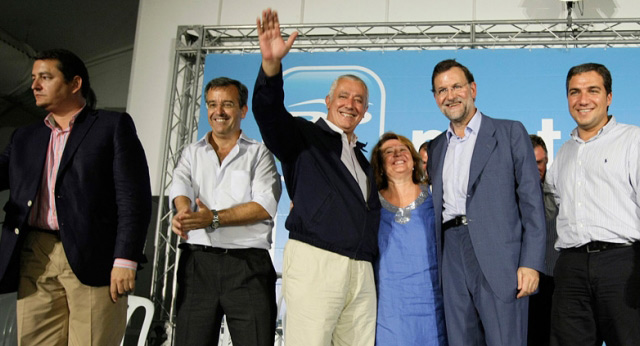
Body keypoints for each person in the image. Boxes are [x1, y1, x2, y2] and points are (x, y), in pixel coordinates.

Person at [0, 49, 152, 345]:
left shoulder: (111, 126)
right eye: (33, 78)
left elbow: (133, 198)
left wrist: (125, 259)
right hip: (35, 253)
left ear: (75, 83)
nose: (34, 85)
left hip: (94, 256)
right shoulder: (25, 137)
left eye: (45, 77)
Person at [253, 9, 381, 346]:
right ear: (327, 101)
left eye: (359, 100)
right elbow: (268, 113)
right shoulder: (302, 137)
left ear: (365, 111)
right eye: (344, 96)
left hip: (361, 270)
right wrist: (270, 68)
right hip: (316, 262)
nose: (351, 104)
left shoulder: (362, 161)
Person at [427, 59, 546, 346]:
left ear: (473, 89)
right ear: (435, 98)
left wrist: (531, 263)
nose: (450, 95)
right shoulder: (437, 146)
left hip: (500, 258)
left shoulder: (509, 132)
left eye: (456, 86)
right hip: (451, 255)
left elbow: (532, 202)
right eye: (442, 90)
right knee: (460, 340)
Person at [169, 77, 282, 345]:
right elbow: (180, 188)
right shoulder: (190, 153)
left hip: (247, 266)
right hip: (198, 265)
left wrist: (213, 219)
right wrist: (186, 215)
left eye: (227, 104)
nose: (218, 112)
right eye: (212, 104)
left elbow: (265, 206)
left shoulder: (260, 153)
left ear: (243, 111)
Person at [547, 63, 640, 346]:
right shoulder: (563, 153)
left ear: (609, 97)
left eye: (592, 90)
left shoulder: (633, 140)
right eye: (574, 92)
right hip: (571, 267)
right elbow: (554, 207)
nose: (582, 99)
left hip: (622, 263)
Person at [370, 132, 447, 346]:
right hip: (388, 311)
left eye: (403, 149)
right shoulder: (369, 205)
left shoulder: (437, 198)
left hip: (433, 306)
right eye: (389, 152)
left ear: (414, 161)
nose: (397, 154)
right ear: (380, 166)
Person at [527, 135, 558, 346]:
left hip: (556, 282)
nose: (537, 168)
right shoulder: (506, 195)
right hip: (523, 285)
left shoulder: (557, 190)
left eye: (540, 162)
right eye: (531, 162)